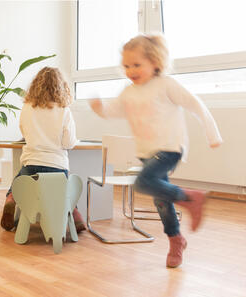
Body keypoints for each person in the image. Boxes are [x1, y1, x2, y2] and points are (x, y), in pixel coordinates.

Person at [89, 33, 222, 268]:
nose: (131, 70)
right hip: (147, 152)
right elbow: (113, 111)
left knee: (142, 182)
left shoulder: (166, 84)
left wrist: (212, 134)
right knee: (161, 199)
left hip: (170, 148)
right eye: (127, 65)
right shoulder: (128, 92)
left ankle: (191, 198)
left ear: (156, 62)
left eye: (137, 64)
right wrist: (99, 108)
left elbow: (195, 105)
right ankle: (176, 240)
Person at [0, 66, 86, 233]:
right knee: (64, 193)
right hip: (56, 166)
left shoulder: (27, 107)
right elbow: (68, 142)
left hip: (31, 164)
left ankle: (11, 199)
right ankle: (74, 215)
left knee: (17, 185)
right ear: (61, 87)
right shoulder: (63, 110)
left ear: (36, 85)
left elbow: (24, 132)